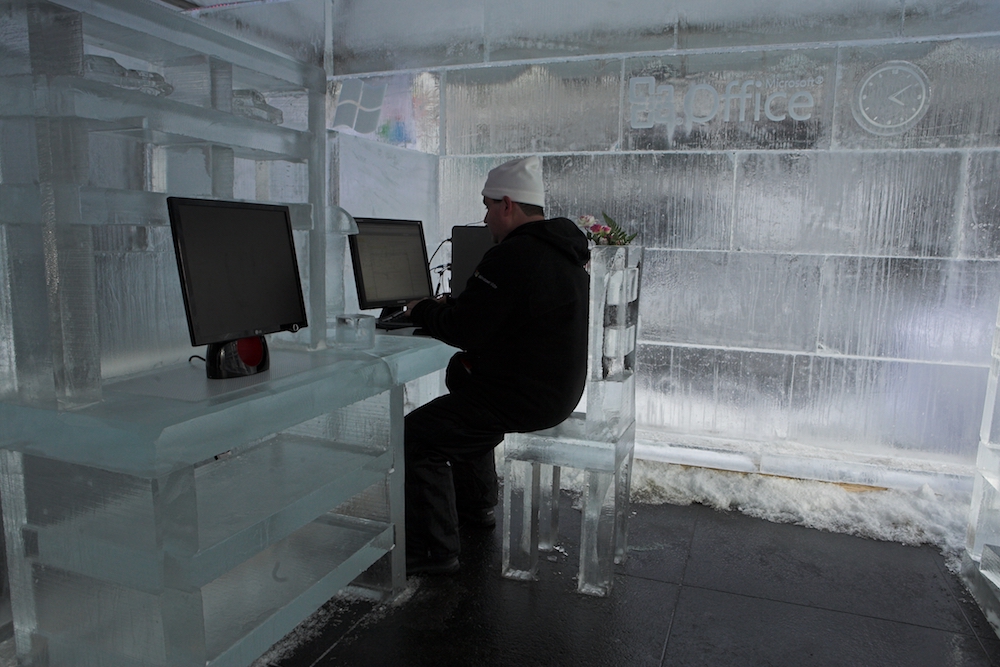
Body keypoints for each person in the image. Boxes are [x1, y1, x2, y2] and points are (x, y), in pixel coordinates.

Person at [402, 155, 590, 575]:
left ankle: (435, 550)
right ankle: (478, 505)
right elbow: (501, 316)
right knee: (460, 375)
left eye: (487, 206)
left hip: (525, 397)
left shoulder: (515, 255)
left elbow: (466, 329)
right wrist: (458, 308)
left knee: (415, 436)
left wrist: (420, 311)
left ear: (507, 204)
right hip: (555, 390)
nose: (485, 217)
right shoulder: (564, 252)